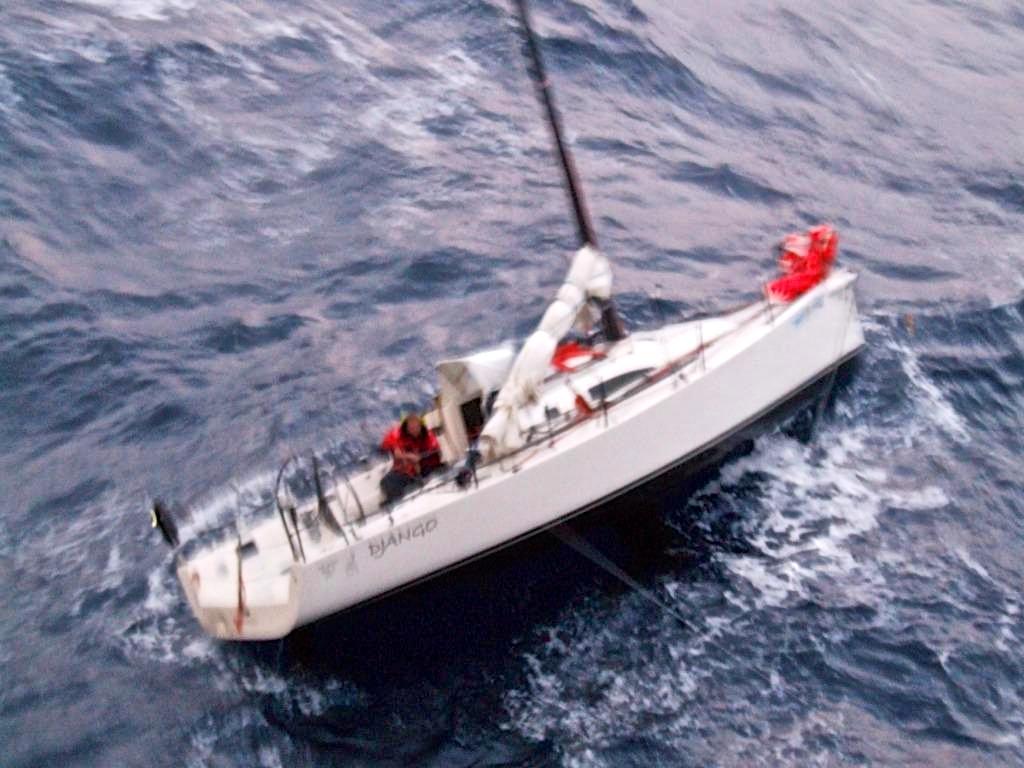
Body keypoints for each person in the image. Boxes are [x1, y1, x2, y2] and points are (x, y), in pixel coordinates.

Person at [379, 413, 442, 502]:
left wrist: (420, 458)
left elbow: (435, 450)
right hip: (405, 472)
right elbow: (384, 446)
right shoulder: (396, 435)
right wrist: (405, 455)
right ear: (407, 428)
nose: (415, 430)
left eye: (417, 427)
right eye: (411, 428)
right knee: (387, 482)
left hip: (425, 470)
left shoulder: (428, 437)